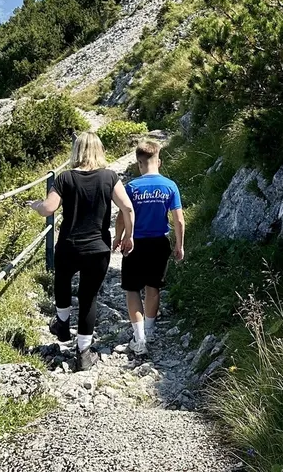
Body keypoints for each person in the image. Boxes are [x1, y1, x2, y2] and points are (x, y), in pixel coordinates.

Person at [33, 132, 135, 371]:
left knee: (62, 281)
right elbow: (127, 207)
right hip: (97, 248)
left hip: (69, 245)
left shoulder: (65, 178)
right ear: (99, 150)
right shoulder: (110, 177)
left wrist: (36, 204)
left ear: (76, 151)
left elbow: (48, 208)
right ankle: (83, 353)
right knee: (89, 297)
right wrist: (128, 237)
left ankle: (62, 324)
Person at [115, 139, 184, 357]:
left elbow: (121, 216)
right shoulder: (170, 186)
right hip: (159, 242)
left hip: (135, 243)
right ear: (159, 162)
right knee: (153, 288)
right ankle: (150, 329)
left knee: (132, 289)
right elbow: (179, 220)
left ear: (139, 163)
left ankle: (139, 337)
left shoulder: (132, 187)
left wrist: (118, 237)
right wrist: (180, 245)